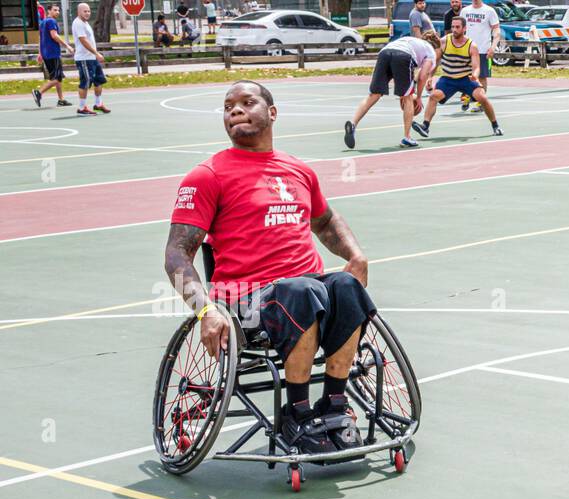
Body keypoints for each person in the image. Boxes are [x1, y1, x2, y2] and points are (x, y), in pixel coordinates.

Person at [165, 81, 373, 455]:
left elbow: (324, 222)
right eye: (228, 106)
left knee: (345, 284)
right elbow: (177, 256)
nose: (235, 111)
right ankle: (296, 412)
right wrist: (204, 311)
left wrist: (356, 255)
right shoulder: (208, 175)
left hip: (307, 292)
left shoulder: (297, 170)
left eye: (247, 103)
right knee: (303, 291)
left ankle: (335, 405)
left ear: (272, 113)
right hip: (246, 303)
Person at [344, 29, 437, 149]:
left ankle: (353, 124)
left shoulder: (412, 41)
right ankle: (407, 137)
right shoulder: (431, 52)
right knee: (408, 97)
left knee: (373, 94)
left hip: (384, 53)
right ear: (436, 48)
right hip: (403, 56)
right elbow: (423, 76)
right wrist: (418, 97)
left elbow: (415, 76)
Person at [412, 15, 502, 137]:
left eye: (457, 27)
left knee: (482, 98)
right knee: (433, 96)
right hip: (448, 79)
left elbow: (476, 67)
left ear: (464, 28)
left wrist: (475, 76)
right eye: (453, 26)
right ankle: (425, 127)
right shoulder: (444, 41)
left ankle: (495, 126)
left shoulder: (471, 46)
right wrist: (430, 77)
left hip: (466, 78)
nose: (454, 29)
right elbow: (436, 61)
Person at [460, 0, 500, 112]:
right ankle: (466, 97)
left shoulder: (489, 11)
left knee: (481, 77)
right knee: (464, 75)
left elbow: (496, 31)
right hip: (467, 49)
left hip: (483, 50)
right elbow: (459, 29)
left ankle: (480, 103)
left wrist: (493, 47)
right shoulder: (465, 11)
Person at [32, 4, 75, 109]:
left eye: (58, 10)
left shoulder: (43, 23)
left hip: (46, 54)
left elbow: (41, 39)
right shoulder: (51, 21)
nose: (57, 12)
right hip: (53, 53)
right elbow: (54, 36)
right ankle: (39, 92)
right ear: (49, 11)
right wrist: (67, 46)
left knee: (57, 77)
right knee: (57, 78)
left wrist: (40, 53)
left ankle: (61, 100)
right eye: (55, 10)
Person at [70, 3, 108, 116]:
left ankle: (98, 104)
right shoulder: (78, 23)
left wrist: (94, 55)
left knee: (99, 80)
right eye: (84, 11)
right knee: (85, 82)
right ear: (79, 12)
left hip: (91, 58)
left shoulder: (85, 23)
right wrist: (96, 53)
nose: (87, 13)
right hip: (84, 59)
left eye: (89, 11)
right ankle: (81, 108)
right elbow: (83, 40)